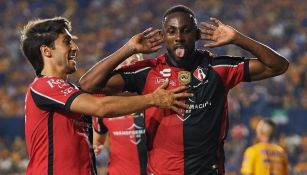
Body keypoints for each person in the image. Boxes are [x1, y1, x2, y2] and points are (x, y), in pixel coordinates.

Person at [79, 5, 289, 175]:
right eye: (171, 31)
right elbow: (88, 84)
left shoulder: (218, 68)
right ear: (164, 36)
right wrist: (129, 48)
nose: (178, 37)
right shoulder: (148, 71)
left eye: (185, 30)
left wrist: (238, 38)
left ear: (197, 35)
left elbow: (279, 66)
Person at [20, 17, 192, 175]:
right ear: (46, 51)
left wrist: (131, 50)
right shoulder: (44, 86)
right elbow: (101, 107)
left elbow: (110, 94)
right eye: (67, 42)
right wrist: (154, 99)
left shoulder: (69, 91)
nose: (75, 47)